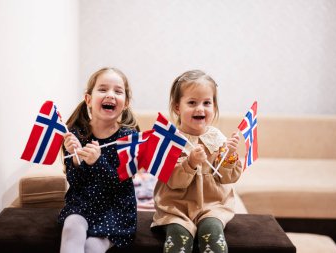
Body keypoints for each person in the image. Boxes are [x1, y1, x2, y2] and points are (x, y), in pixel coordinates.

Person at [151, 70, 242, 253]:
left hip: (212, 205)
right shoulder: (172, 140)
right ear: (178, 107)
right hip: (176, 207)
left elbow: (226, 178)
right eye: (192, 103)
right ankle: (179, 229)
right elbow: (173, 180)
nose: (200, 108)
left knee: (212, 232)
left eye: (207, 103)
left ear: (214, 107)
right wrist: (190, 163)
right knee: (178, 235)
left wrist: (229, 156)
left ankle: (210, 229)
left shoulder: (217, 138)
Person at [58, 67, 139, 253]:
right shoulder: (75, 133)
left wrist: (98, 161)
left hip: (115, 208)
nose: (110, 95)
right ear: (88, 99)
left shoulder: (129, 137)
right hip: (83, 203)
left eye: (118, 91)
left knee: (93, 246)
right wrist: (76, 159)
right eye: (103, 89)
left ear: (125, 103)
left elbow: (121, 184)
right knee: (71, 228)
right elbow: (75, 182)